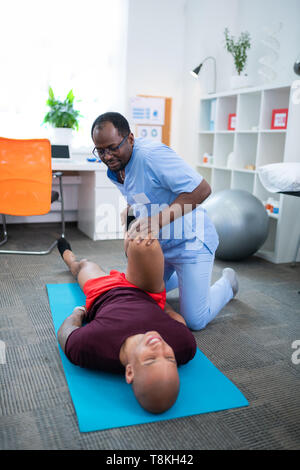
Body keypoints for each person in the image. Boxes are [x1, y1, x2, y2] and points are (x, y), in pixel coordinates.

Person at [90, 112, 239, 331]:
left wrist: (158, 221)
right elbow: (143, 196)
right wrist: (131, 215)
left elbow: (202, 190)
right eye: (100, 150)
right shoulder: (116, 168)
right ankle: (185, 282)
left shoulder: (152, 156)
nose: (107, 156)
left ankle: (227, 284)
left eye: (113, 147)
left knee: (194, 321)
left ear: (130, 139)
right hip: (162, 246)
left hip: (191, 243)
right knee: (138, 294)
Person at [57, 233, 197, 414]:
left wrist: (80, 312)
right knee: (143, 242)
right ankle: (131, 249)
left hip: (103, 290)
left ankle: (68, 254)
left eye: (150, 359)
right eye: (170, 358)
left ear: (130, 372)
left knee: (82, 266)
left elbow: (65, 332)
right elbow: (176, 319)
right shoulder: (184, 346)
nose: (159, 347)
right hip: (145, 290)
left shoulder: (89, 346)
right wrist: (162, 305)